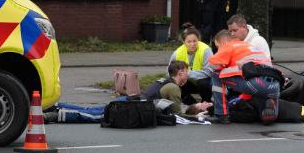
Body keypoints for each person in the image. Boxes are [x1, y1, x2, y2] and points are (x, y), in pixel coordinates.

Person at [49, 60, 210, 122]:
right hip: (131, 107)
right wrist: (197, 115)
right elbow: (177, 116)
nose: (188, 75)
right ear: (180, 72)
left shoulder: (164, 81)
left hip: (131, 101)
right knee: (93, 116)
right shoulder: (173, 88)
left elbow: (179, 107)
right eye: (187, 72)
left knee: (91, 110)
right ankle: (56, 115)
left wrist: (196, 106)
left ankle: (56, 105)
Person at [205, 29, 280, 124]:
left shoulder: (228, 46)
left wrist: (223, 65)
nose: (218, 50)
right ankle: (268, 112)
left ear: (223, 43)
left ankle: (221, 114)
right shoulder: (249, 46)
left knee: (216, 74)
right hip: (274, 84)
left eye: (217, 46)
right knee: (267, 117)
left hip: (257, 83)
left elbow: (212, 64)